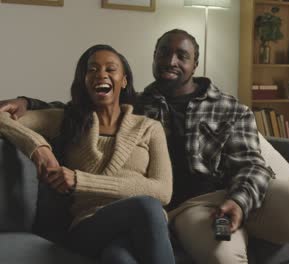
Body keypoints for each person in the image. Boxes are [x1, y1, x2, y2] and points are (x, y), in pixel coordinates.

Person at [0, 29, 289, 264]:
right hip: (189, 209)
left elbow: (252, 163)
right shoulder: (142, 104)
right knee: (223, 258)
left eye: (181, 55)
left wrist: (238, 200)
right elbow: (77, 110)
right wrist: (27, 103)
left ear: (194, 63)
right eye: (164, 53)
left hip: (238, 193)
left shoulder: (229, 108)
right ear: (153, 57)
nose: (171, 61)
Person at [0, 44, 175, 264]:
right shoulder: (68, 119)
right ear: (84, 81)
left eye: (110, 69)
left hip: (140, 226)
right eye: (92, 69)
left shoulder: (150, 128)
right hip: (88, 226)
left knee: (119, 258)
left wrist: (80, 181)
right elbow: (2, 119)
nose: (101, 74)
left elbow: (163, 191)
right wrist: (38, 148)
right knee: (146, 206)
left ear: (124, 80)